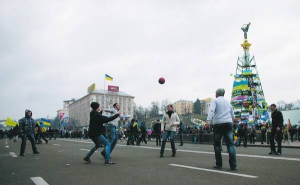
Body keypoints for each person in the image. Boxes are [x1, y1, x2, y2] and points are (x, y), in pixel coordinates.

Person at [206, 88, 237, 171]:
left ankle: (219, 164)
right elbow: (232, 115)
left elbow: (212, 110)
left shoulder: (215, 101)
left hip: (218, 123)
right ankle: (233, 165)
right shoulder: (228, 103)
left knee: (217, 145)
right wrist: (232, 121)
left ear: (217, 94)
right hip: (228, 123)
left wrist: (208, 120)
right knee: (230, 144)